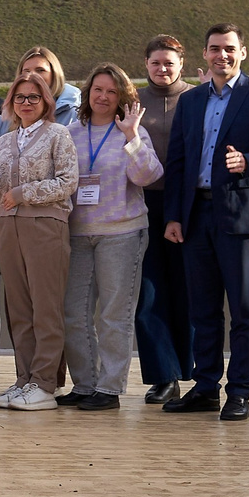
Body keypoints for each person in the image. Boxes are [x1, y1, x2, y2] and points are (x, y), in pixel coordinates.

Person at [159, 24, 249, 421]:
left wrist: (248, 160)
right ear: (205, 54)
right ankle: (206, 387)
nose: (222, 55)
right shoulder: (192, 100)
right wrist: (174, 216)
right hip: (196, 215)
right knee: (203, 309)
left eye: (229, 49)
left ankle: (240, 393)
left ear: (242, 53)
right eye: (215, 49)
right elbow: (178, 161)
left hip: (241, 216)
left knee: (244, 309)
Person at [63, 64, 164, 411]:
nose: (103, 97)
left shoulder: (129, 131)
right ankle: (84, 383)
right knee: (74, 313)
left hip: (121, 233)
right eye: (97, 90)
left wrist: (133, 138)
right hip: (77, 235)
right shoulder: (71, 132)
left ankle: (109, 388)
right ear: (87, 94)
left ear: (121, 97)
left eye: (111, 91)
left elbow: (149, 175)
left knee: (113, 314)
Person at [0, 77, 76, 412]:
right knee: (19, 309)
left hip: (45, 225)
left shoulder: (58, 134)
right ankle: (24, 379)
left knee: (46, 306)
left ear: (46, 101)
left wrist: (23, 194)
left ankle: (44, 381)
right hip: (8, 227)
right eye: (20, 97)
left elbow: (68, 182)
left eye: (34, 97)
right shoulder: (5, 141)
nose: (26, 103)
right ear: (11, 101)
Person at [133, 35, 196, 402]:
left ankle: (191, 370)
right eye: (156, 63)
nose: (162, 69)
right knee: (150, 292)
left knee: (187, 290)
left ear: (181, 65)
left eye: (169, 63)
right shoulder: (134, 100)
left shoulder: (197, 97)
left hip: (188, 205)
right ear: (146, 64)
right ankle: (164, 374)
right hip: (144, 204)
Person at [13, 47, 81, 127]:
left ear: (54, 75)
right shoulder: (5, 119)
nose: (32, 75)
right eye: (27, 71)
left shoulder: (73, 115)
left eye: (40, 70)